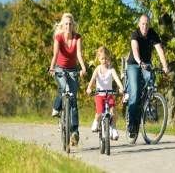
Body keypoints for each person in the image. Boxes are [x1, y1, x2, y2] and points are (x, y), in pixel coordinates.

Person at [126, 14, 169, 137]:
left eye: (147, 24)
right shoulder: (135, 35)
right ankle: (132, 125)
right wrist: (140, 62)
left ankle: (148, 101)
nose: (145, 26)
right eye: (143, 24)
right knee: (134, 93)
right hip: (134, 64)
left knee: (151, 78)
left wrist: (165, 67)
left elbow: (160, 50)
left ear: (149, 25)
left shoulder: (153, 34)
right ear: (139, 24)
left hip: (147, 63)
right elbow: (135, 50)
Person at [49, 13, 87, 146]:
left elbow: (79, 55)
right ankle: (57, 106)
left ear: (73, 25)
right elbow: (55, 55)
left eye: (70, 24)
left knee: (73, 99)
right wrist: (52, 68)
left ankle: (75, 132)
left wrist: (83, 68)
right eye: (66, 24)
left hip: (72, 69)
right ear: (62, 25)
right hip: (59, 68)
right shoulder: (58, 37)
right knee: (63, 86)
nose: (68, 26)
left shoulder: (77, 37)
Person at [86, 46, 124, 140]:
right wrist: (89, 88)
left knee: (113, 110)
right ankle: (95, 121)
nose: (104, 60)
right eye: (102, 58)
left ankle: (114, 128)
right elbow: (92, 80)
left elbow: (116, 79)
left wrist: (121, 87)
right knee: (99, 112)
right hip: (99, 94)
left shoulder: (111, 69)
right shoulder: (97, 69)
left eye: (106, 58)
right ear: (99, 59)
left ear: (108, 58)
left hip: (109, 94)